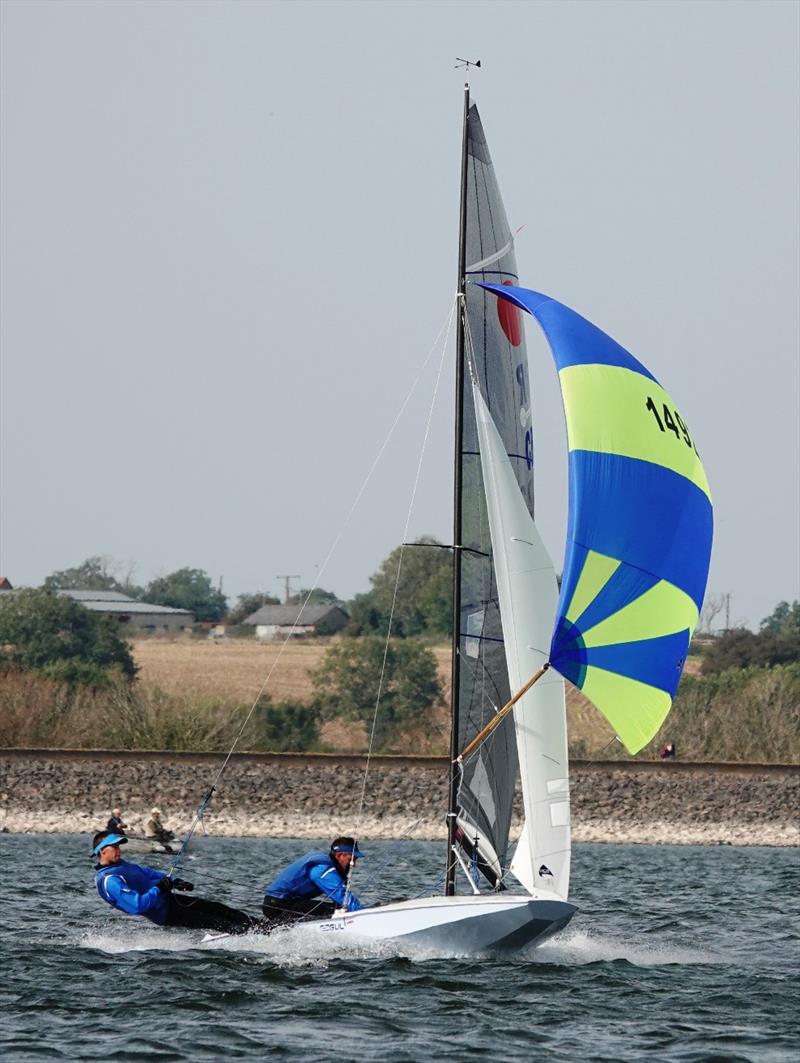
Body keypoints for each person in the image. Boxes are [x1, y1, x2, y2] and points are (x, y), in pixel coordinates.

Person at [92, 831, 257, 934]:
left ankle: (261, 926)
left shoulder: (121, 865)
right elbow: (137, 906)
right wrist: (159, 888)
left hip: (170, 899)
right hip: (166, 913)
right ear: (102, 851)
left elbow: (148, 873)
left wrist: (174, 881)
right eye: (115, 847)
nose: (119, 850)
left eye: (119, 847)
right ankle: (253, 936)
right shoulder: (109, 881)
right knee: (216, 921)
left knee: (219, 908)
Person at [262, 836, 365, 927]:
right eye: (351, 859)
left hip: (285, 904)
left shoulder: (331, 867)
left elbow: (341, 902)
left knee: (337, 909)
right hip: (278, 906)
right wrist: (363, 914)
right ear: (339, 855)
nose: (354, 865)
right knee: (330, 911)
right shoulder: (322, 869)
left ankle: (269, 928)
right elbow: (342, 897)